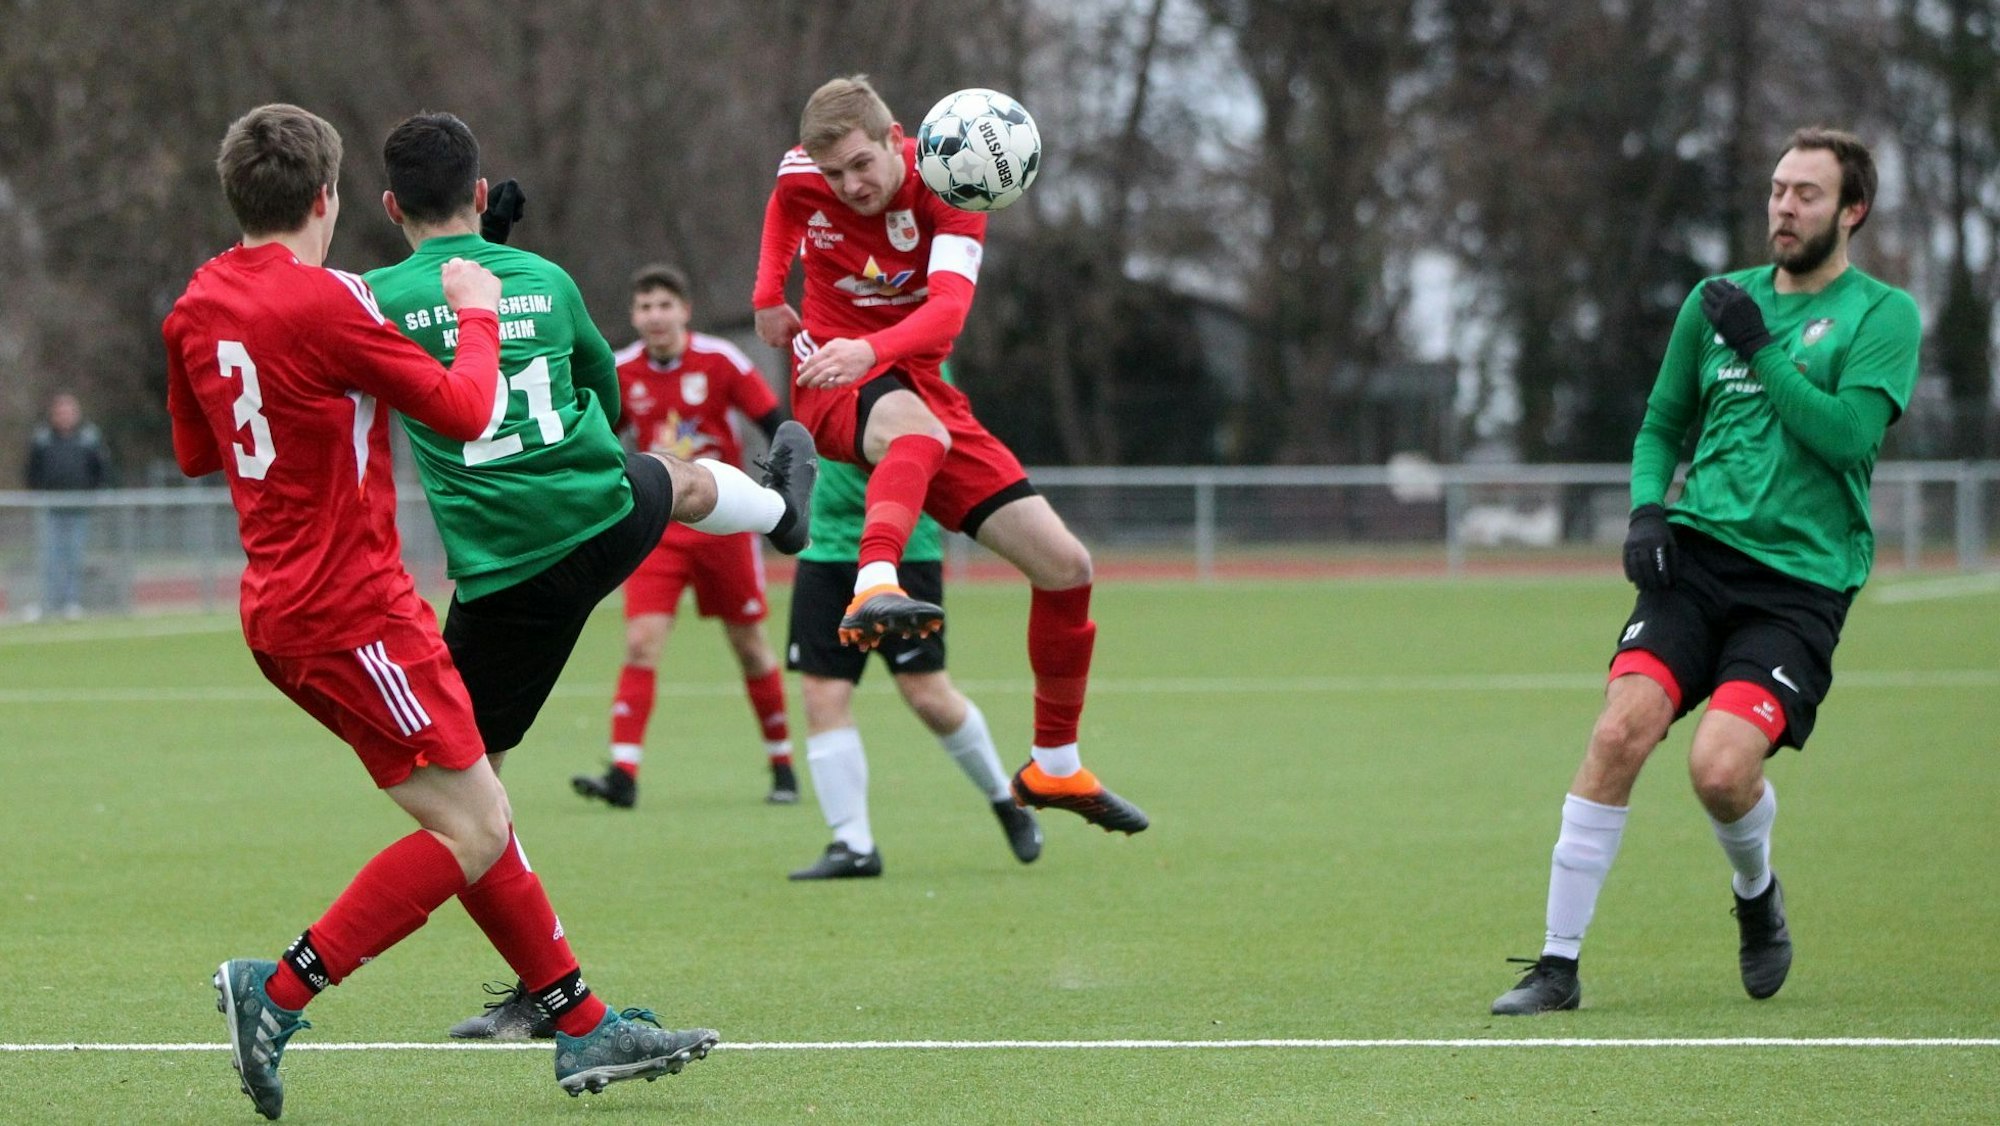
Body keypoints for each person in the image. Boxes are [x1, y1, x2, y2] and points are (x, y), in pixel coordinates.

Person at [165, 103, 716, 1121]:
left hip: (280, 609)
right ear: (328, 199)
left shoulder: (196, 303)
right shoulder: (328, 302)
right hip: (352, 609)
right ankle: (275, 990)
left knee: (474, 814)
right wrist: (469, 301)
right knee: (469, 830)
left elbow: (202, 451)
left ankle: (581, 1020)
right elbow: (465, 407)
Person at [360, 112, 816, 1041]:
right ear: (482, 196)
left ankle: (539, 989)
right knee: (674, 479)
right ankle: (781, 511)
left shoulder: (372, 297)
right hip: (601, 517)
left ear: (386, 205)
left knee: (471, 802)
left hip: (507, 574)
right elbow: (601, 387)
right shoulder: (550, 280)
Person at [1490, 127, 1921, 1016]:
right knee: (1618, 733)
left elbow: (1846, 436)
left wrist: (1762, 348)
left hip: (1800, 582)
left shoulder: (1885, 317)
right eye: (1777, 189)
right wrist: (1649, 509)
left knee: (1721, 770)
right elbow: (1659, 428)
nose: (1784, 207)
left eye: (1806, 193)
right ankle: (1556, 967)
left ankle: (1757, 897)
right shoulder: (1715, 301)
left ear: (1853, 210)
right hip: (1696, 564)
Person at [753, 75, 1146, 835]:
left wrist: (873, 347)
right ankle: (875, 582)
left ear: (898, 136)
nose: (849, 184)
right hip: (831, 378)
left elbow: (947, 316)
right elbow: (783, 211)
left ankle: (1054, 768)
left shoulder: (953, 192)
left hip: (912, 377)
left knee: (1067, 567)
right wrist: (770, 294)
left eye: (862, 164)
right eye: (834, 173)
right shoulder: (803, 175)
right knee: (917, 434)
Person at [785, 375, 1043, 880]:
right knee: (821, 694)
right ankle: (852, 843)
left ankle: (1006, 798)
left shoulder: (914, 361)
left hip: (902, 548)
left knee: (928, 696)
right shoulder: (817, 348)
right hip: (825, 551)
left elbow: (932, 444)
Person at [571, 264, 799, 810]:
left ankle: (783, 763)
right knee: (641, 644)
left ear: (684, 311)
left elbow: (775, 421)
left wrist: (785, 487)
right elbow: (598, 436)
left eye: (664, 305)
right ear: (634, 316)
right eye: (645, 307)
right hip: (658, 528)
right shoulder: (621, 370)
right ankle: (623, 773)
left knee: (749, 648)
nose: (654, 316)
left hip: (725, 526)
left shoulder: (721, 360)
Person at [23, 391, 109, 620]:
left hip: (79, 508)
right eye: (60, 411)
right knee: (49, 557)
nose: (64, 416)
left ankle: (72, 602)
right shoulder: (42, 438)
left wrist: (91, 492)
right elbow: (32, 471)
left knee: (74, 556)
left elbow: (100, 469)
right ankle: (49, 602)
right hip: (50, 509)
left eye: (69, 411)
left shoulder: (89, 437)